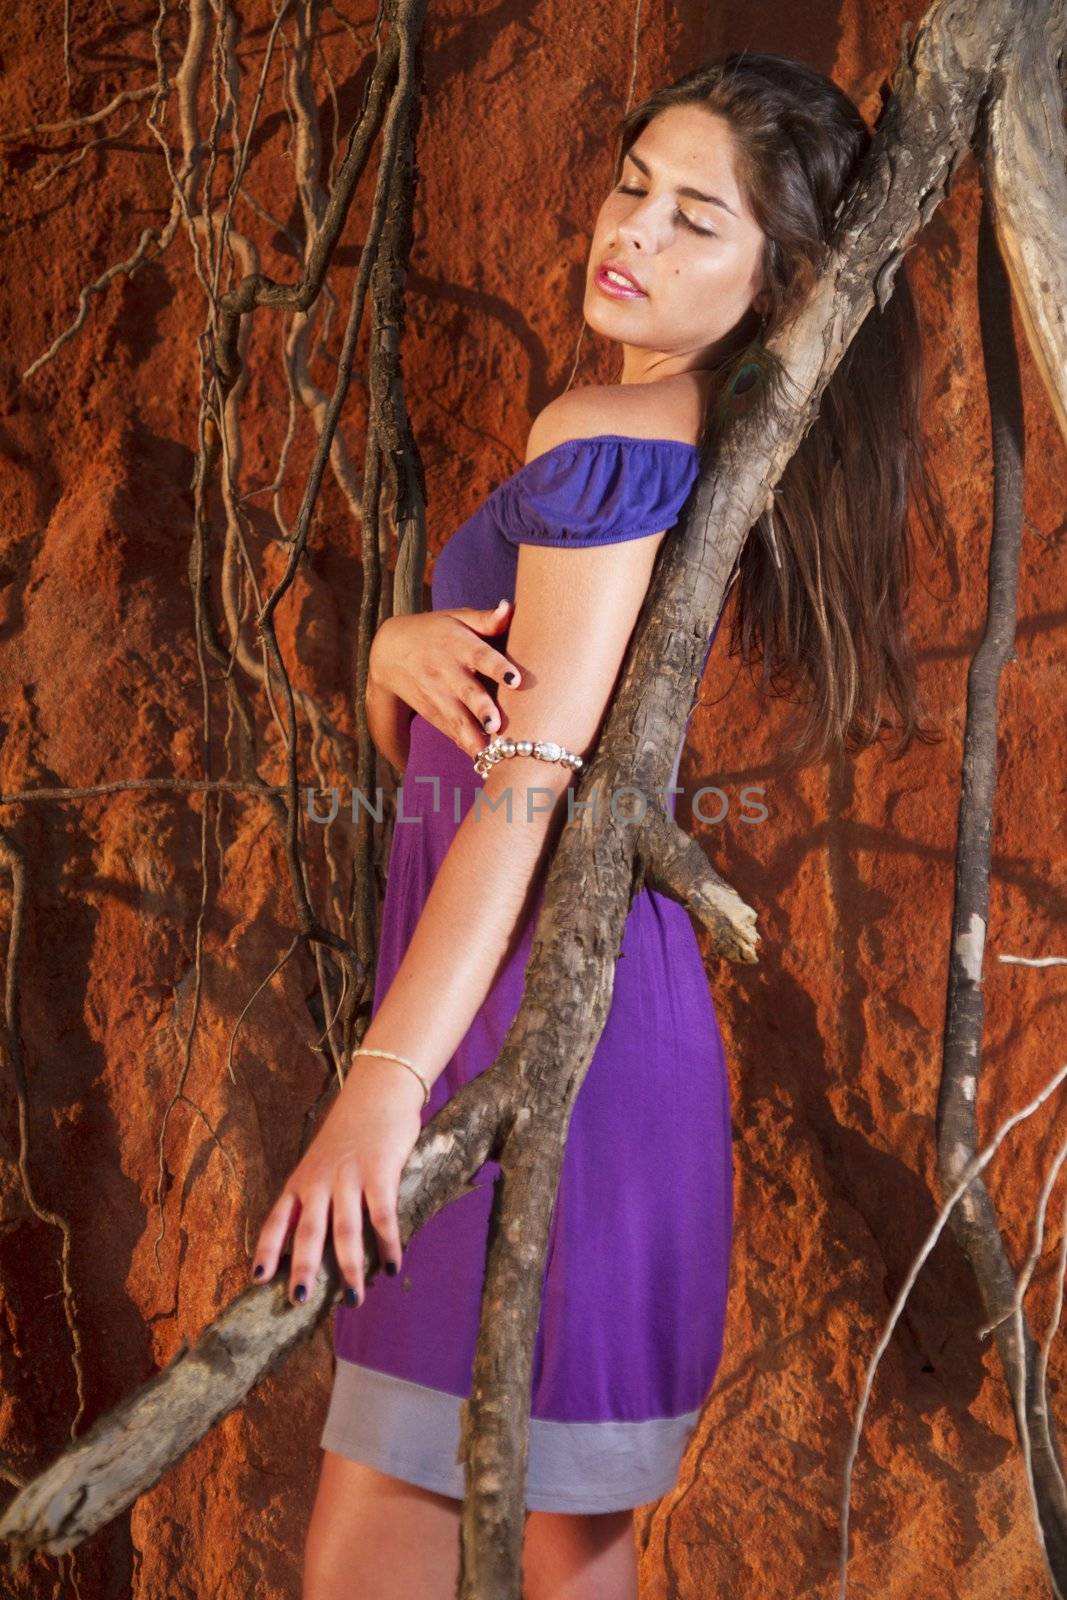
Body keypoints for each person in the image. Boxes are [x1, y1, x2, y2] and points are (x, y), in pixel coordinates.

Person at [251, 51, 942, 1600]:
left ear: (780, 284)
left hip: (524, 1053)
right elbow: (465, 739)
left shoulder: (608, 437)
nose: (632, 231)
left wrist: (381, 1083)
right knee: (569, 1553)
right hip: (605, 1059)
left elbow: (521, 788)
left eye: (700, 219)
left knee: (378, 1559)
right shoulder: (662, 428)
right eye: (636, 185)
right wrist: (389, 652)